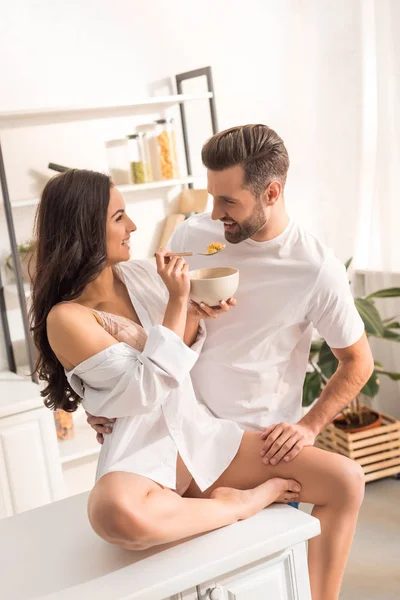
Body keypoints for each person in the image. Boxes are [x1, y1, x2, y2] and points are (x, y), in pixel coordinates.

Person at [87, 125, 374, 599]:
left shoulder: (314, 268)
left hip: (253, 443)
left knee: (346, 483)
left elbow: (356, 362)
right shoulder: (192, 234)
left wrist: (309, 426)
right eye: (211, 198)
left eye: (228, 203)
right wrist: (107, 397)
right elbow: (154, 331)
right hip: (180, 428)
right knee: (123, 521)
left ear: (272, 192)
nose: (214, 213)